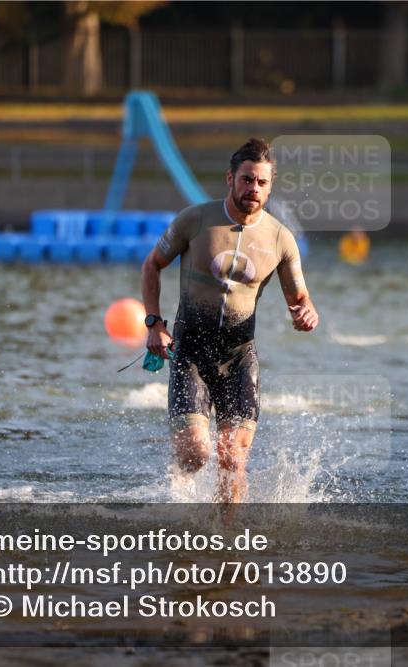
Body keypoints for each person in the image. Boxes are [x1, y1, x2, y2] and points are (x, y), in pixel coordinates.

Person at [140, 138, 319, 504]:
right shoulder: (195, 219)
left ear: (269, 187)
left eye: (262, 183)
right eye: (247, 180)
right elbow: (151, 265)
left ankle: (228, 545)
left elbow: (299, 299)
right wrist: (154, 324)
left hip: (239, 358)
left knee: (232, 458)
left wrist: (306, 313)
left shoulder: (281, 240)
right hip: (190, 352)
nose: (254, 189)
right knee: (196, 453)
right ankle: (180, 486)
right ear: (231, 179)